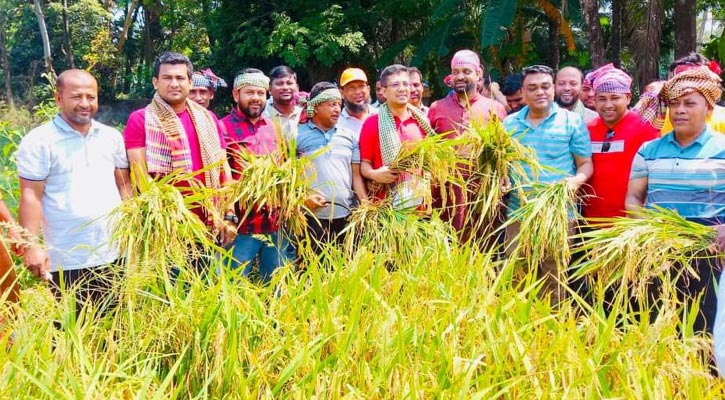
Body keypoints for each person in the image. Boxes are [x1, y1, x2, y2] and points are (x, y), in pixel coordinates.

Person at [17, 69, 132, 315]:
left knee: (115, 330)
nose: (84, 104)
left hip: (114, 253)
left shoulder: (111, 137)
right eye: (76, 97)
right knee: (71, 334)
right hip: (66, 258)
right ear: (59, 98)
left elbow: (124, 185)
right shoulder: (39, 141)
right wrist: (31, 246)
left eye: (91, 97)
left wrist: (135, 230)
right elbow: (30, 196)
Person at [626, 65, 725, 335]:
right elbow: (634, 197)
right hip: (659, 247)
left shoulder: (722, 148)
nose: (679, 110)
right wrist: (650, 230)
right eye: (674, 104)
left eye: (689, 104)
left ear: (709, 109)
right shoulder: (649, 149)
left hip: (709, 249)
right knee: (658, 316)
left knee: (706, 321)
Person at [123, 52, 233, 267]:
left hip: (211, 223)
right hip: (168, 227)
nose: (174, 84)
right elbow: (140, 176)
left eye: (180, 78)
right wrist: (166, 218)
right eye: (167, 78)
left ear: (189, 82)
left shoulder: (208, 118)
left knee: (209, 292)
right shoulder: (141, 119)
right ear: (156, 82)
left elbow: (223, 170)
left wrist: (229, 215)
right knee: (171, 295)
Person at [503, 64, 593, 304]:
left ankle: (553, 333)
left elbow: (585, 165)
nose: (539, 92)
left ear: (553, 88)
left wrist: (575, 181)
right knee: (518, 277)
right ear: (523, 92)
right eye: (532, 88)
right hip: (518, 214)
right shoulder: (509, 125)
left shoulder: (571, 122)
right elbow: (503, 165)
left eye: (545, 86)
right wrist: (501, 179)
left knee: (555, 280)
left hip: (559, 215)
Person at [428, 50, 507, 236]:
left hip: (483, 192)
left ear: (478, 74)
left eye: (466, 71)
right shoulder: (436, 108)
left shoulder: (495, 108)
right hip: (445, 192)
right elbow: (429, 150)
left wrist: (503, 178)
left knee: (485, 244)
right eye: (455, 72)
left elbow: (503, 152)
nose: (460, 76)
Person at [221, 68, 287, 283]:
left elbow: (284, 168)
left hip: (274, 224)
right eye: (249, 92)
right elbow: (220, 175)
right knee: (233, 287)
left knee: (276, 286)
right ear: (236, 94)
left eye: (261, 93)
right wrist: (227, 217)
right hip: (241, 226)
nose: (256, 98)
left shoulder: (274, 127)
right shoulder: (222, 128)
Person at [583, 64, 659, 219]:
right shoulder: (587, 129)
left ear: (628, 98)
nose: (608, 105)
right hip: (593, 221)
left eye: (615, 98)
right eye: (602, 99)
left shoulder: (646, 128)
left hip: (631, 223)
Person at [359, 64, 436, 207]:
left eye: (406, 84)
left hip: (420, 206)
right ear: (383, 91)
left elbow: (430, 161)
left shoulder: (422, 122)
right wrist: (374, 175)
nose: (402, 89)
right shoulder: (371, 123)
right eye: (395, 84)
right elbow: (364, 164)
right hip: (386, 208)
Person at [297, 82, 358, 247]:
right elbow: (288, 176)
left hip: (346, 216)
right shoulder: (296, 135)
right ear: (315, 107)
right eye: (332, 104)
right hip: (310, 217)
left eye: (339, 104)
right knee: (312, 269)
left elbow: (356, 175)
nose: (337, 109)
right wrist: (302, 198)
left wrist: (363, 206)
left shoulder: (349, 136)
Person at [336, 67, 374, 201]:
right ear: (342, 93)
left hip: (383, 190)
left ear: (368, 89)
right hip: (351, 197)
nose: (358, 92)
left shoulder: (382, 116)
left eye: (361, 86)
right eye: (351, 88)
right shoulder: (336, 124)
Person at [263, 65, 305, 140]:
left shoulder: (306, 112)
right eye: (279, 84)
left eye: (289, 83)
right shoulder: (262, 114)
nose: (285, 87)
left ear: (297, 88)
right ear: (269, 89)